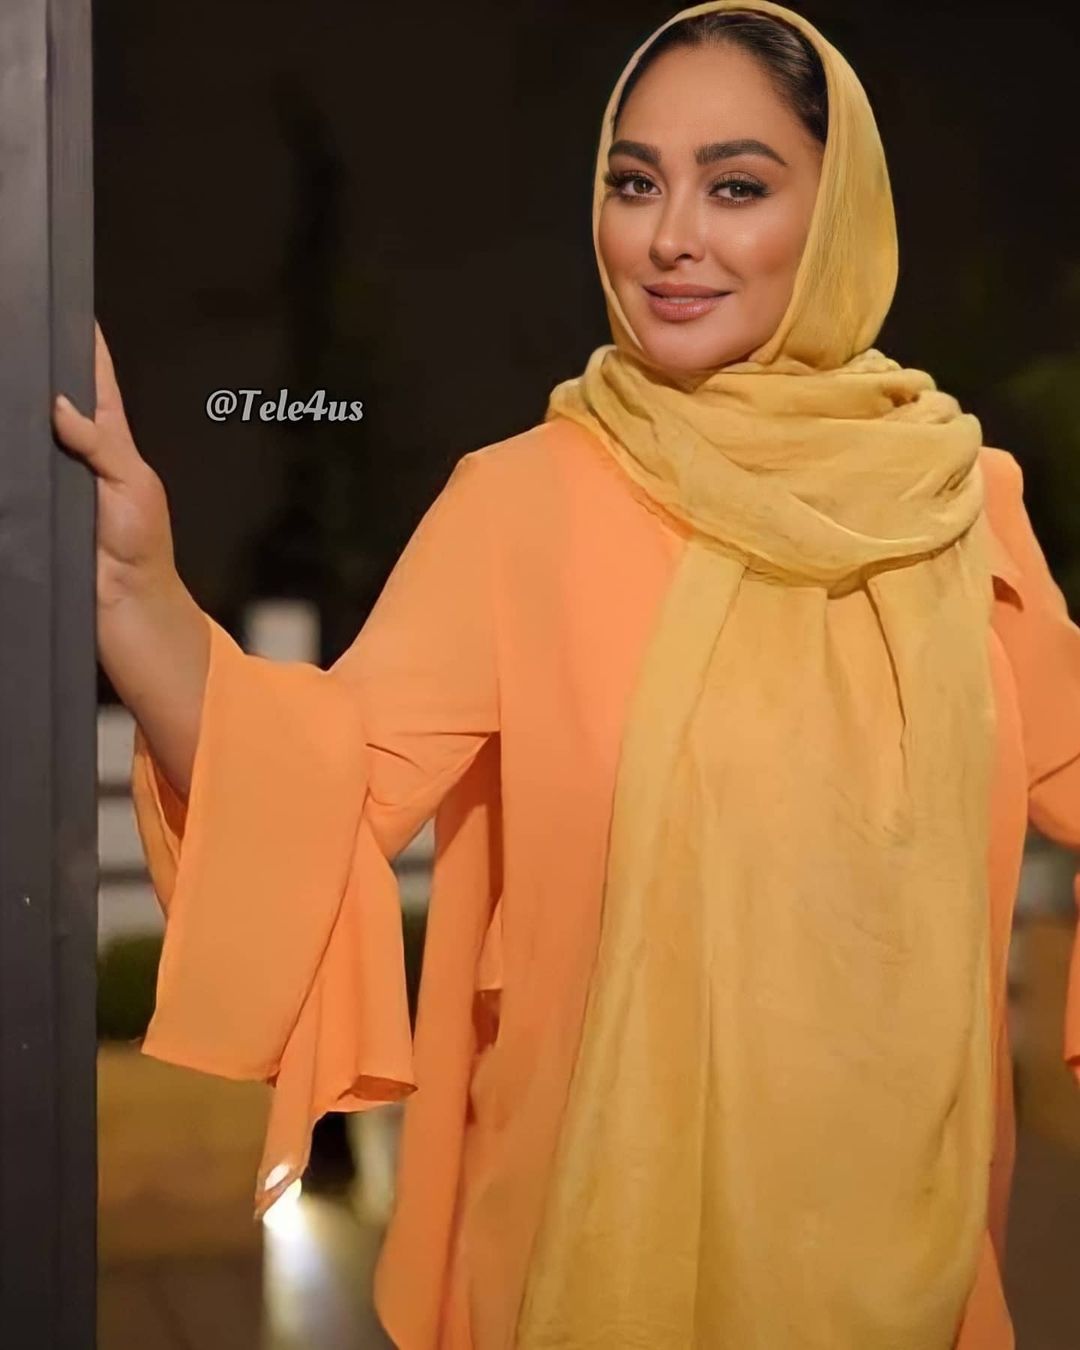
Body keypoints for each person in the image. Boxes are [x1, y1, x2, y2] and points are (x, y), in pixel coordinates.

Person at [53, 2, 1079, 1346]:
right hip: (585, 1258)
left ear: (838, 216)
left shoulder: (960, 504)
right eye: (635, 182)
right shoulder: (519, 507)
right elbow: (316, 789)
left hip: (913, 1270)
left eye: (736, 186)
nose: (670, 237)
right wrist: (135, 592)